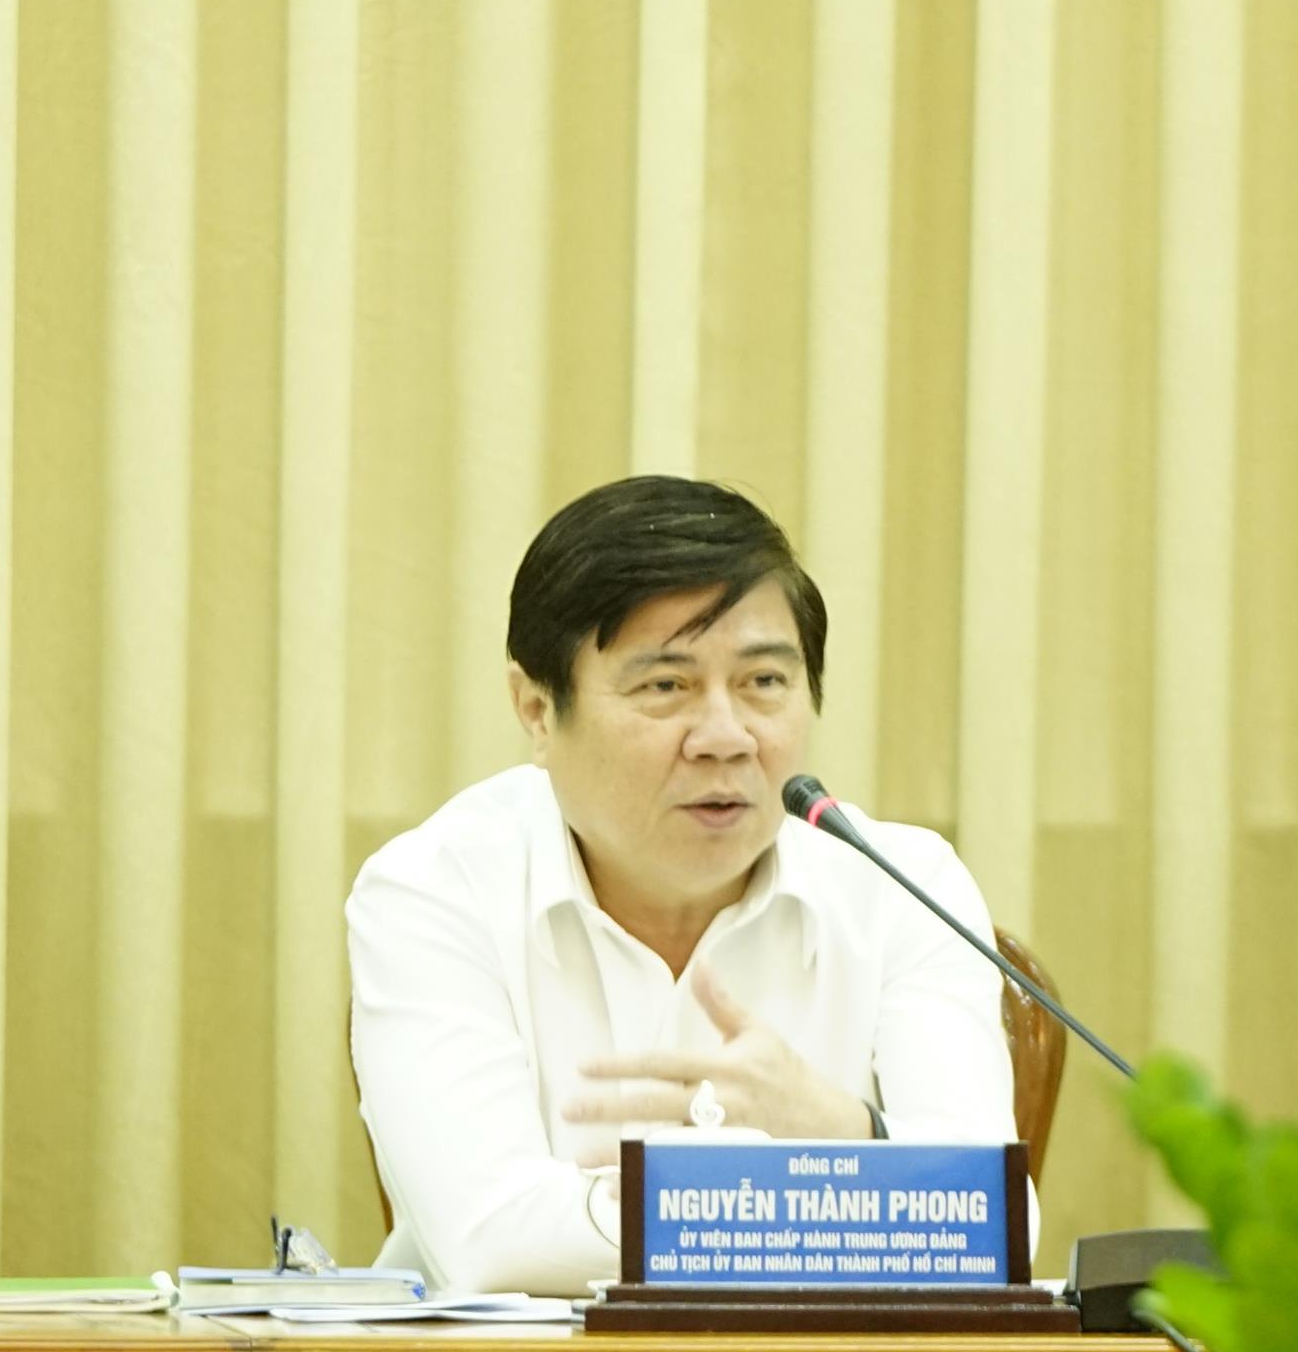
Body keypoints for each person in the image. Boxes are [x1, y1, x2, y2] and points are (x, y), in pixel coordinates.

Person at [347, 477, 1016, 1297]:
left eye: (764, 682)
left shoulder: (902, 886)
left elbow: (996, 1221)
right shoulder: (434, 892)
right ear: (536, 710)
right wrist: (839, 1193)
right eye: (666, 686)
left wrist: (839, 1129)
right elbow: (494, 1243)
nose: (726, 738)